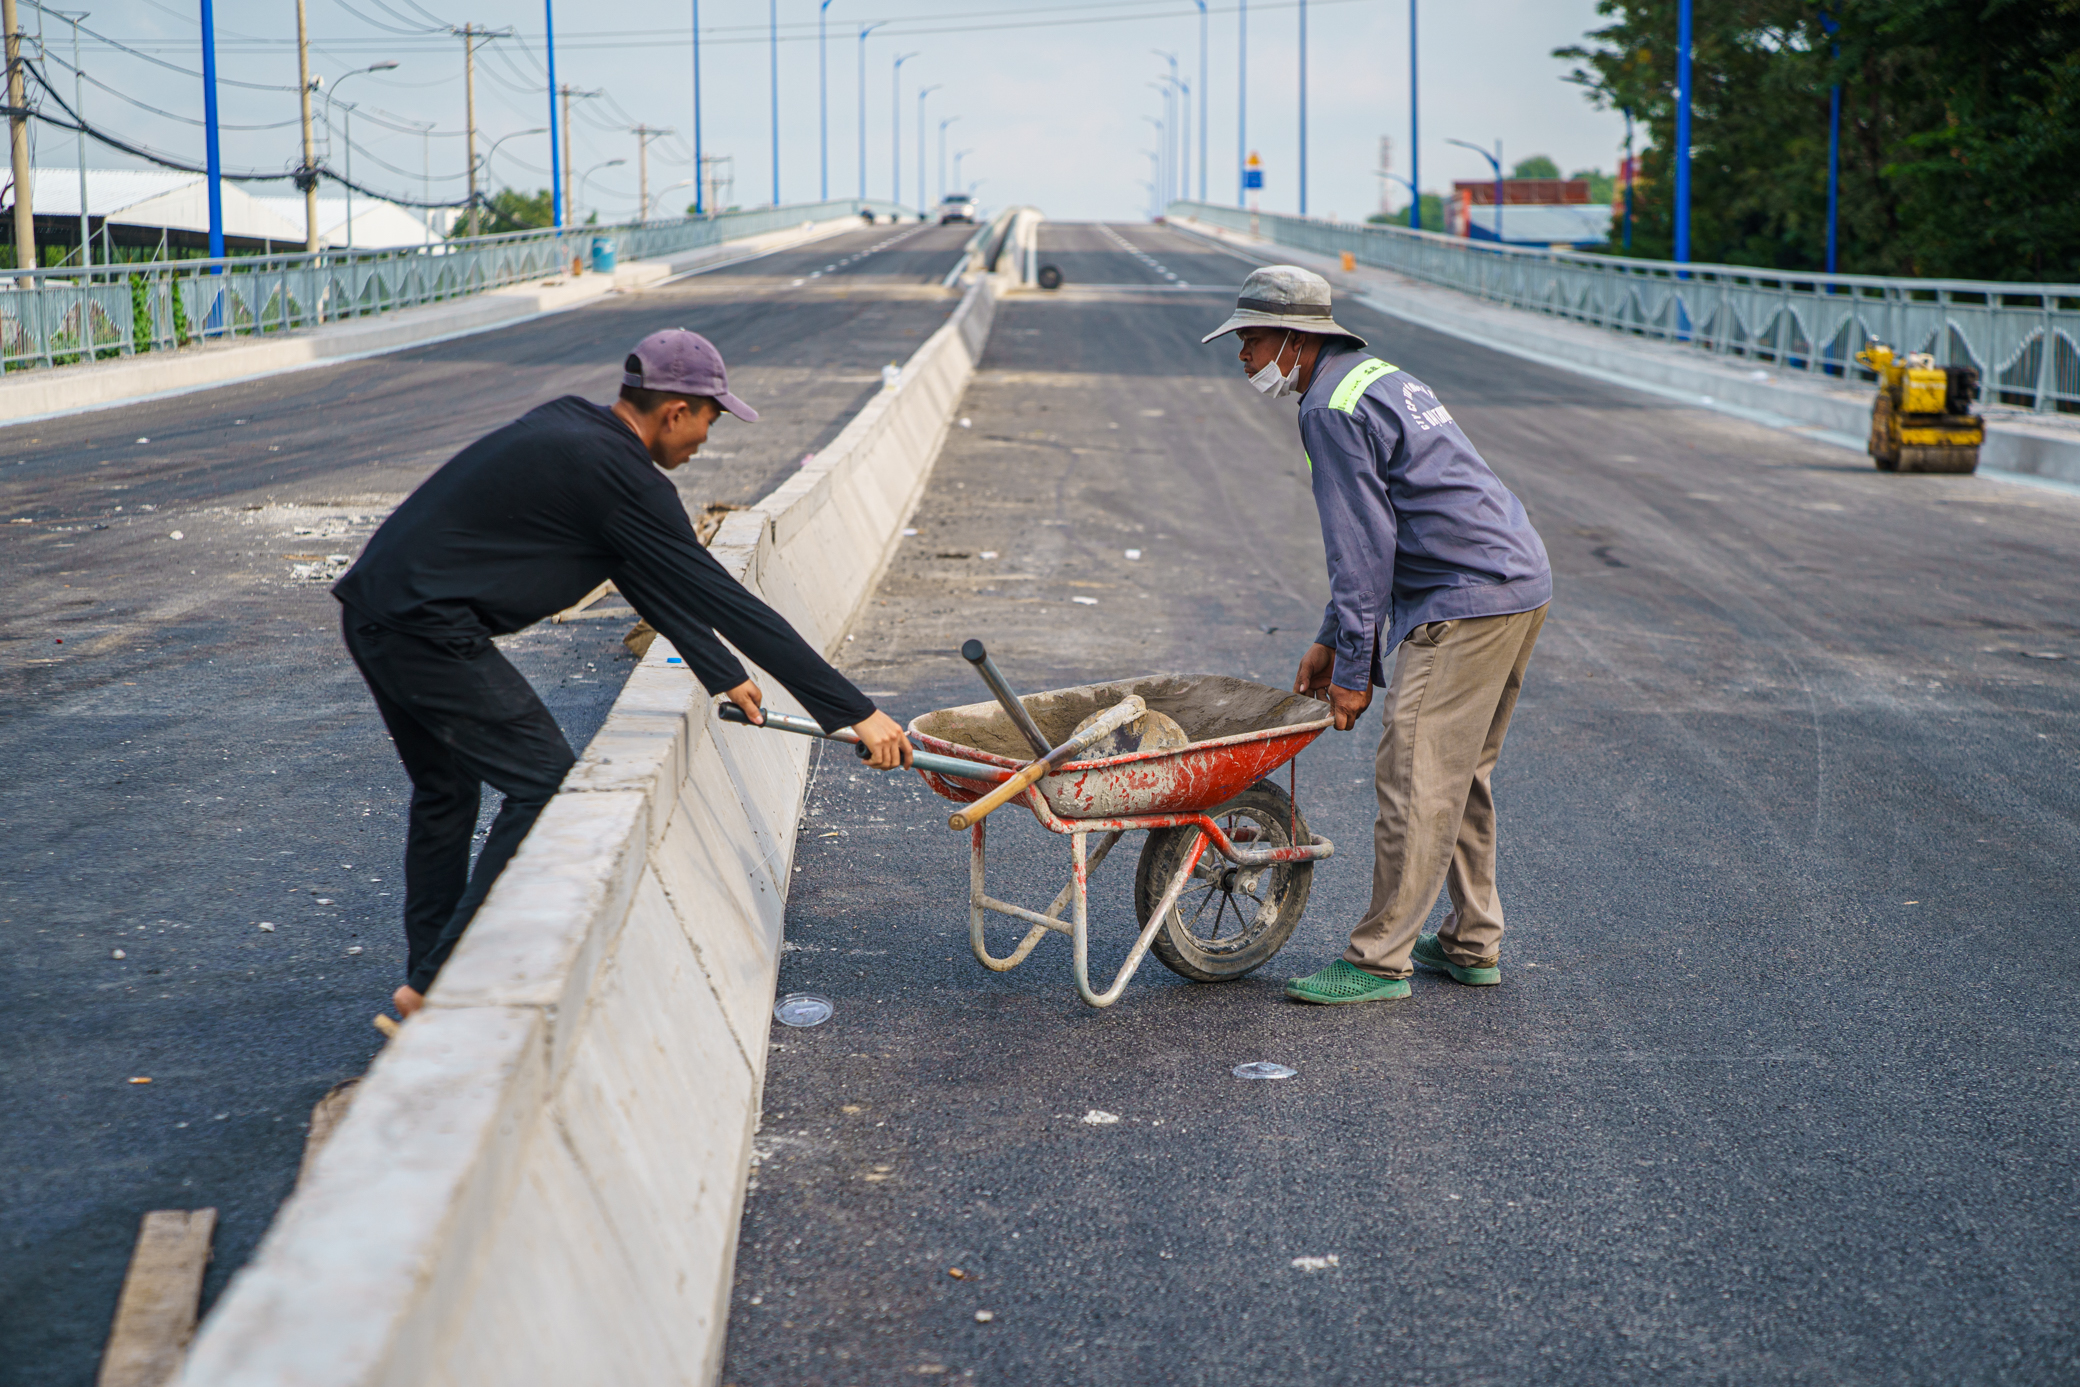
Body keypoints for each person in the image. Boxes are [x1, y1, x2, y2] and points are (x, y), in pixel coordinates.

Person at [332, 329, 911, 1020]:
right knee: (542, 779)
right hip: (426, 632)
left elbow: (638, 569)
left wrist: (719, 669)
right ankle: (445, 975)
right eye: (708, 419)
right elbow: (727, 600)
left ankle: (424, 987)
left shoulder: (576, 428)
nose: (706, 438)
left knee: (445, 793)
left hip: (375, 609)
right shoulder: (625, 478)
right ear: (675, 411)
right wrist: (852, 710)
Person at [1201, 267, 1552, 1005]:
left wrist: (1353, 670)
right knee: (1460, 773)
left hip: (1466, 597)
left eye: (1252, 340)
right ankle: (1470, 940)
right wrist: (1333, 637)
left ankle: (1380, 957)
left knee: (1417, 776)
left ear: (1296, 340)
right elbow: (1379, 535)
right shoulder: (1372, 376)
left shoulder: (1328, 409)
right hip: (1516, 579)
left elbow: (1362, 551)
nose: (1243, 357)